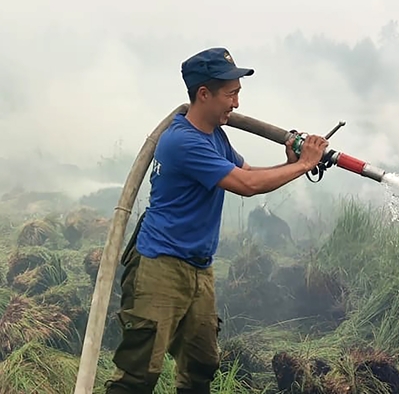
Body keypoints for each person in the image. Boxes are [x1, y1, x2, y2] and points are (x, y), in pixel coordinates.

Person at [104, 47, 329, 394]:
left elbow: (248, 171)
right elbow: (246, 186)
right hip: (160, 266)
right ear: (204, 94)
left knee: (200, 368)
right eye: (231, 94)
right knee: (139, 373)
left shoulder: (215, 136)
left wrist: (291, 164)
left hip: (199, 269)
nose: (237, 104)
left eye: (238, 94)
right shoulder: (182, 141)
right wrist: (302, 165)